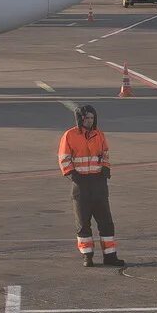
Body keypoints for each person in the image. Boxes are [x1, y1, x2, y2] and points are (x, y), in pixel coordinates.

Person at [57, 104, 124, 267]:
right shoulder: (69, 135)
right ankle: (87, 256)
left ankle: (110, 256)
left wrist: (105, 169)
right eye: (87, 118)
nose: (90, 121)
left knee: (106, 222)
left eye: (92, 118)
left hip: (98, 183)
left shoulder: (99, 134)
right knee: (83, 223)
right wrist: (73, 175)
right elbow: (64, 157)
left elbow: (105, 153)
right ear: (80, 119)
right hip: (80, 185)